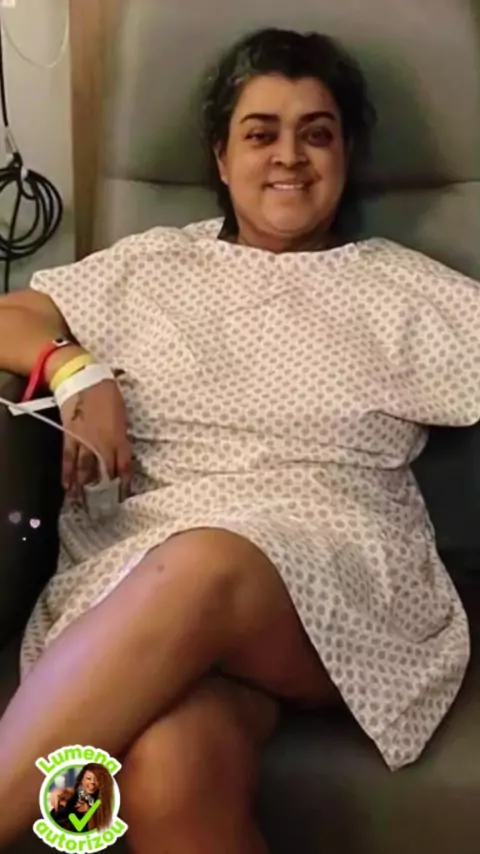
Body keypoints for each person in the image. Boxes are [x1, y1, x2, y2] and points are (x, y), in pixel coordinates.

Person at [0, 25, 479, 854]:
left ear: (346, 156)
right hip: (134, 575)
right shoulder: (149, 267)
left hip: (336, 576)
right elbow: (15, 316)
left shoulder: (401, 288)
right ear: (222, 159)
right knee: (170, 770)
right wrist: (73, 369)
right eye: (261, 134)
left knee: (208, 561)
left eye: (316, 133)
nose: (289, 155)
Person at [49, 764, 113, 833]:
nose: (92, 782)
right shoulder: (76, 790)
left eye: (97, 779)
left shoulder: (101, 801)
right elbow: (68, 791)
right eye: (88, 778)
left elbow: (95, 830)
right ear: (82, 779)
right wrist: (59, 791)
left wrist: (88, 811)